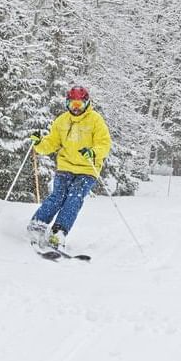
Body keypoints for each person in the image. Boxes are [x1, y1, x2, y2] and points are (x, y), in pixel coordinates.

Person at [26, 85, 112, 249]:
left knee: (74, 198)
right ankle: (38, 224)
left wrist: (93, 152)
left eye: (79, 105)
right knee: (58, 196)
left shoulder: (95, 120)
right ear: (67, 104)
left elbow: (104, 143)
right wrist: (39, 143)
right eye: (72, 105)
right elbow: (51, 143)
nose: (76, 109)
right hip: (65, 166)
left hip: (87, 169)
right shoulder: (62, 120)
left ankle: (58, 232)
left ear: (86, 104)